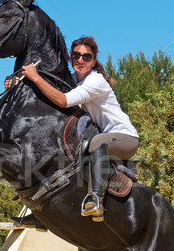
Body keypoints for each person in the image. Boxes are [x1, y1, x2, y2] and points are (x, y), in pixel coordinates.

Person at [16, 36, 139, 222]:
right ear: (71, 57)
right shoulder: (72, 79)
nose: (80, 60)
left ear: (93, 61)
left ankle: (96, 199)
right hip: (106, 139)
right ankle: (42, 213)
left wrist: (35, 77)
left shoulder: (95, 81)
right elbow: (49, 91)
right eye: (76, 55)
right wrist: (20, 83)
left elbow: (63, 101)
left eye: (86, 57)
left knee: (96, 142)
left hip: (126, 138)